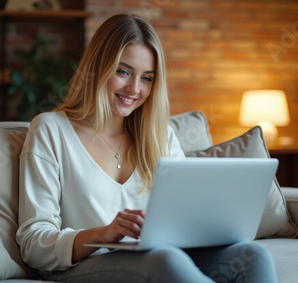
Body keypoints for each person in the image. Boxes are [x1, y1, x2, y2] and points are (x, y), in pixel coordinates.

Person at [16, 14, 278, 283]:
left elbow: (187, 213)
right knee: (166, 260)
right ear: (97, 67)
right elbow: (34, 243)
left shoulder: (160, 136)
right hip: (84, 266)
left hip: (159, 257)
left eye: (147, 78)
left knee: (253, 254)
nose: (134, 88)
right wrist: (102, 234)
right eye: (123, 71)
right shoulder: (50, 129)